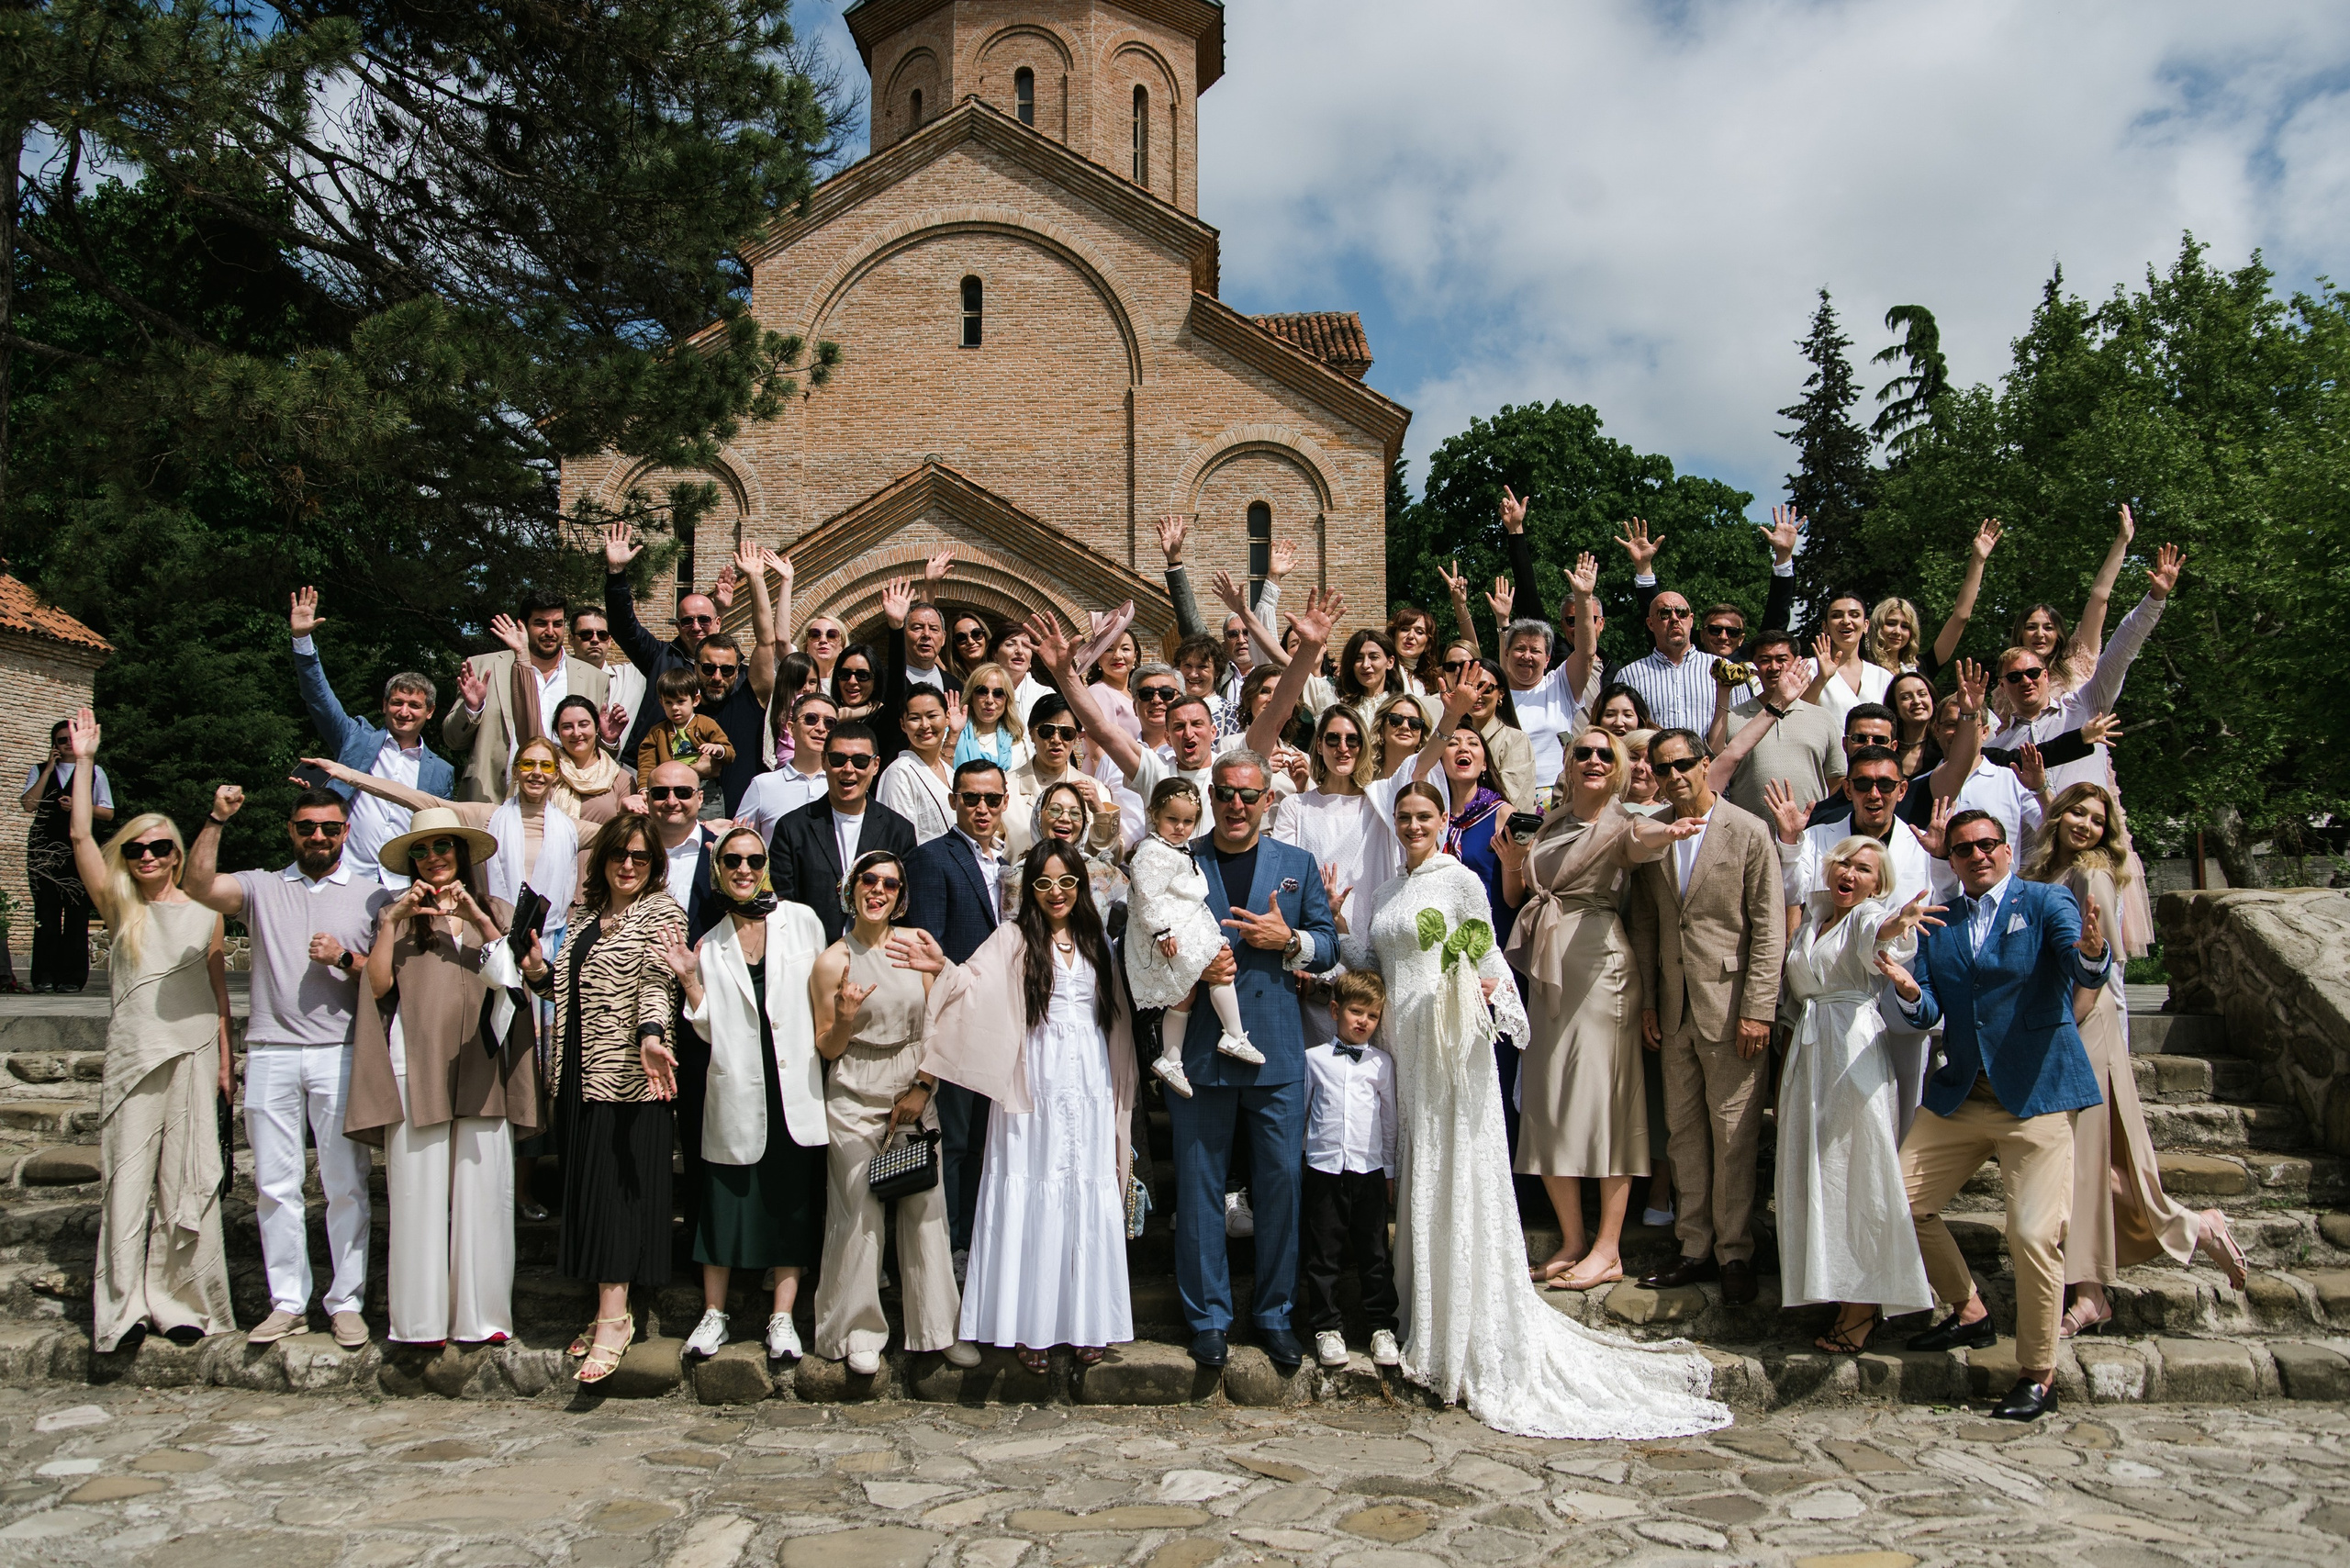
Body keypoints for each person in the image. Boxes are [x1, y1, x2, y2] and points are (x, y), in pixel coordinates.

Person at [1337, 780, 1729, 1439]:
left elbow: (1488, 955)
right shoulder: (1384, 891)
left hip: (1449, 1048)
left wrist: (1490, 994)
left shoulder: (1458, 880)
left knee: (1454, 1170)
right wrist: (1323, 928)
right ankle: (1424, 1314)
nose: (1410, 824)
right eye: (1402, 816)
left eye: (1422, 816)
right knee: (1418, 1169)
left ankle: (1462, 1325)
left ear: (1441, 821)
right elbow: (1374, 961)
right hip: (1403, 1053)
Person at [1878, 808, 2112, 1422]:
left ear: (2007, 849)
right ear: (1950, 860)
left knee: (2034, 1236)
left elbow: (2078, 961)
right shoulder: (1941, 921)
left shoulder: (2046, 903)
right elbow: (1930, 1009)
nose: (1977, 855)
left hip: (2036, 1098)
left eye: (1987, 844)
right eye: (1962, 849)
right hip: (1962, 1097)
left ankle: (2038, 1373)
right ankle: (1969, 1312)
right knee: (1898, 1201)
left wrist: (2093, 955)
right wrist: (1908, 991)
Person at [892, 841, 1138, 1372]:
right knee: (1033, 1186)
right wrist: (941, 966)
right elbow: (970, 987)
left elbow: (1114, 1016)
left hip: (1090, 1083)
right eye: (1044, 883)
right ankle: (1030, 1324)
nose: (1056, 893)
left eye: (1066, 882)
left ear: (1082, 886)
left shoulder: (1100, 942)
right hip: (1033, 1079)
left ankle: (1087, 1320)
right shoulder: (1012, 937)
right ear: (1030, 889)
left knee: (1083, 1189)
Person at [2021, 784, 2247, 1338]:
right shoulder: (2041, 874)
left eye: (2097, 820)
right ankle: (2105, 1285)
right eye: (2077, 812)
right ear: (2058, 814)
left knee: (2084, 1160)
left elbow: (2098, 971)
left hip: (2083, 1025)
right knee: (2080, 1163)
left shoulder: (2091, 875)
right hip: (2055, 1022)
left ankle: (2163, 1243)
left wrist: (2061, 1030)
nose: (2085, 825)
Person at [1149, 748, 1338, 1372]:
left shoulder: (1296, 864)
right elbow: (1145, 945)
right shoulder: (1180, 858)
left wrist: (1290, 942)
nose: (1236, 805)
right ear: (1210, 795)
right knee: (1200, 1190)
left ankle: (1276, 1314)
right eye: (1225, 793)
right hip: (1199, 1051)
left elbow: (1330, 946)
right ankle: (1207, 1317)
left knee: (1281, 1186)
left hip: (1277, 1050)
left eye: (1248, 795)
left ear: (1268, 801)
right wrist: (1187, 963)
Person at [185, 781, 387, 1348]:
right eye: (307, 827)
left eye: (329, 828)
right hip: (271, 1050)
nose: (318, 836)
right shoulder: (261, 887)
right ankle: (288, 1301)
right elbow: (197, 885)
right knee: (275, 1186)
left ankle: (346, 1301)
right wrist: (216, 817)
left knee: (345, 1184)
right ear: (291, 832)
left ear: (346, 832)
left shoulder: (373, 895)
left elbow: (384, 977)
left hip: (339, 1051)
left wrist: (345, 959)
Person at [1499, 727, 1696, 1293]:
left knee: (1607, 1105)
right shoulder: (1552, 821)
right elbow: (1517, 898)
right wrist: (1514, 860)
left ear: (1617, 766)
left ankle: (1609, 1249)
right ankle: (1572, 1240)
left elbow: (1639, 840)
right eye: (1581, 751)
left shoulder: (1621, 821)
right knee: (1547, 1101)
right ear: (1567, 761)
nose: (1591, 759)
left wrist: (1668, 831)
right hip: (1546, 969)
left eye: (1602, 754)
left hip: (1600, 970)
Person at [65, 711, 234, 1351]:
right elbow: (81, 835)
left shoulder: (203, 909)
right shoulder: (120, 905)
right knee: (128, 1179)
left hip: (193, 1052)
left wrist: (225, 1058)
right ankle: (124, 1306)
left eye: (160, 848)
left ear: (177, 855)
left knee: (188, 1179)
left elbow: (220, 993)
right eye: (137, 847)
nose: (147, 857)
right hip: (136, 1054)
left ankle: (182, 1300)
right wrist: (84, 761)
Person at [343, 807, 540, 1347]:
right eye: (422, 852)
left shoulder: (497, 909)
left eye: (443, 848)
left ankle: (483, 1318)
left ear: (461, 853)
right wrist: (390, 922)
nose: (433, 859)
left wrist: (476, 916)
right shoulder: (397, 915)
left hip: (482, 1062)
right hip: (418, 1059)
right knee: (416, 1194)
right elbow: (379, 986)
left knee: (486, 1194)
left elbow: (519, 973)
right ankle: (419, 1322)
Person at [519, 812, 688, 1385]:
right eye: (620, 854)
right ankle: (606, 1308)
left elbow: (658, 986)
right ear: (604, 859)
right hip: (577, 1075)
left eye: (641, 857)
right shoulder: (586, 914)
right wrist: (541, 972)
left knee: (618, 1195)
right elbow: (566, 988)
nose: (629, 865)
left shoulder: (662, 913)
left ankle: (614, 1319)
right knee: (591, 1191)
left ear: (655, 864)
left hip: (630, 1077)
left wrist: (652, 1038)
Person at [1626, 728, 1785, 1307]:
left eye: (1683, 764)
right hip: (1674, 1006)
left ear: (1706, 763)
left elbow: (1769, 926)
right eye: (1663, 769)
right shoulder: (1655, 833)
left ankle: (1735, 1251)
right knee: (1685, 1133)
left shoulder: (1747, 830)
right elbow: (1645, 923)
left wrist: (1759, 1009)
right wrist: (1648, 999)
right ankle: (1693, 1246)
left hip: (1733, 1006)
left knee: (1735, 1135)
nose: (1674, 777)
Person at [662, 826, 831, 1364]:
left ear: (766, 865)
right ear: (718, 869)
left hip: (794, 1083)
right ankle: (714, 1315)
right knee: (723, 1202)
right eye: (732, 860)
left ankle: (782, 1318)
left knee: (790, 1203)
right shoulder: (709, 943)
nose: (743, 868)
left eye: (753, 859)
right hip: (736, 1084)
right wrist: (690, 982)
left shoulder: (802, 921)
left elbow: (820, 998)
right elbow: (707, 1028)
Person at [811, 849, 980, 1374]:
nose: (879, 890)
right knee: (858, 1209)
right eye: (870, 880)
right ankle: (857, 1328)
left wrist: (924, 1088)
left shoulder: (914, 946)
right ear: (852, 887)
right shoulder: (831, 961)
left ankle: (937, 1328)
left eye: (890, 883)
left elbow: (940, 1022)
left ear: (901, 894)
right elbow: (827, 1046)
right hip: (855, 1089)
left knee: (925, 1208)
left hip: (913, 1085)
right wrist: (844, 1016)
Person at [1774, 839, 1934, 1354]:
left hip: (1852, 1052)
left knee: (1858, 1170)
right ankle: (1834, 1286)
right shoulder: (1811, 921)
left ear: (1877, 884)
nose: (1850, 873)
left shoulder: (1869, 915)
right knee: (1819, 1170)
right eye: (1843, 862)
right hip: (1811, 1053)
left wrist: (1898, 922)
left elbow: (1878, 936)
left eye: (1864, 868)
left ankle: (1864, 1305)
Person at [1990, 541, 2183, 955]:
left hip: (2091, 854)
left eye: (2034, 673)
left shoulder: (2084, 707)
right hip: (2034, 865)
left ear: (2048, 670)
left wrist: (2155, 598)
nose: (2026, 680)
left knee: (2103, 965)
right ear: (2002, 684)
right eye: (2015, 676)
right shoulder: (2000, 742)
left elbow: (2120, 652)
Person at [904, 760, 1013, 1275]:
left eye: (991, 799)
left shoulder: (1013, 863)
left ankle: (980, 1237)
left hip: (1009, 1019)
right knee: (959, 1141)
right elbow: (928, 950)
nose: (982, 808)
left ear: (1006, 801)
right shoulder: (932, 858)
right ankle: (951, 1247)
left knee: (991, 1141)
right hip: (959, 1019)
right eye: (971, 798)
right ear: (953, 801)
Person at [289, 586, 453, 884]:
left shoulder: (441, 772)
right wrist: (302, 640)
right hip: (344, 877)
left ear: (429, 712)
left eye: (414, 705)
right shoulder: (356, 739)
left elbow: (439, 834)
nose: (404, 712)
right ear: (384, 705)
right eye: (397, 703)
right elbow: (319, 700)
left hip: (404, 886)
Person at [1130, 778, 1265, 1098]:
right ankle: (1232, 1033)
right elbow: (1147, 896)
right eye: (1172, 820)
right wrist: (1162, 931)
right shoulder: (1151, 852)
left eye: (1188, 821)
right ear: (1153, 815)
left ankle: (1171, 1058)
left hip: (1183, 924)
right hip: (1170, 929)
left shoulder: (1176, 849)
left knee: (1184, 995)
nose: (1180, 828)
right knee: (1218, 960)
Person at [1300, 968, 1400, 1370]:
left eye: (1372, 1016)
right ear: (1335, 1011)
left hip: (1369, 1171)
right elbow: (1302, 1114)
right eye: (1357, 1012)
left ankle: (1381, 1326)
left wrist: (1389, 1169)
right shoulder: (1313, 1060)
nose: (1364, 1022)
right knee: (1323, 1254)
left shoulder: (1382, 1064)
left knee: (1375, 1253)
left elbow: (1389, 1120)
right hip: (1323, 1170)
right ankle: (1327, 1327)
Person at [444, 595, 610, 802]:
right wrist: (472, 709)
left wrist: (609, 740)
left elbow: (594, 750)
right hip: (492, 798)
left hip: (563, 803)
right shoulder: (485, 667)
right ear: (522, 625)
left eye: (557, 624)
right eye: (541, 623)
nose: (550, 632)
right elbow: (453, 740)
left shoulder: (594, 678)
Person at [769, 722, 920, 946]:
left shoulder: (899, 830)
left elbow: (905, 903)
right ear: (824, 761)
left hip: (876, 953)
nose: (848, 769)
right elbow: (784, 902)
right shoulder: (792, 828)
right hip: (809, 954)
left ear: (875, 765)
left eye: (860, 761)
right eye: (838, 760)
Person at [1705, 635, 1840, 822]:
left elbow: (1837, 780)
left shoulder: (1823, 717)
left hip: (1811, 833)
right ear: (1755, 666)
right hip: (1751, 834)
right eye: (1765, 660)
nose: (1774, 667)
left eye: (1782, 660)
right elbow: (1715, 759)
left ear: (1796, 663)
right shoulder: (1733, 717)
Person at [22, 716, 113, 992]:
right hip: (44, 851)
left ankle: (72, 978)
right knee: (46, 914)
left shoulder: (95, 772)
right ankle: (45, 977)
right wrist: (49, 770)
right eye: (62, 740)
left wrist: (78, 805)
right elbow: (28, 804)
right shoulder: (39, 770)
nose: (68, 745)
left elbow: (108, 812)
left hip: (79, 851)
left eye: (72, 739)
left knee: (76, 914)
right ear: (54, 744)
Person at [1872, 518, 2002, 680]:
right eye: (1891, 623)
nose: (1897, 631)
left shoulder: (1920, 668)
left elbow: (1961, 617)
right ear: (1876, 625)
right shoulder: (1860, 666)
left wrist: (1978, 560)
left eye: (1905, 626)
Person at [1008, 692, 1128, 857]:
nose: (1056, 739)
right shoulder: (1006, 788)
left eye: (1066, 733)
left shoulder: (1096, 791)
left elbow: (1111, 857)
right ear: (1031, 734)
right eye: (1047, 731)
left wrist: (1100, 811)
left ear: (1077, 738)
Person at [738, 692, 836, 846]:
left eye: (830, 722)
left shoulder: (845, 784)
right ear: (791, 729)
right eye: (811, 719)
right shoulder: (762, 785)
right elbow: (740, 843)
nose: (821, 728)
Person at [876, 686, 957, 842]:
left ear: (947, 718)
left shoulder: (949, 771)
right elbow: (898, 840)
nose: (925, 725)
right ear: (903, 724)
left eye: (932, 716)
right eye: (915, 718)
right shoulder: (899, 772)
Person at [1803, 595, 1894, 730]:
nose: (1846, 621)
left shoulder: (1883, 677)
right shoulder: (1808, 669)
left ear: (1865, 625)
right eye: (1836, 616)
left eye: (1854, 615)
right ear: (1825, 627)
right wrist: (1821, 679)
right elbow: (1796, 715)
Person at [635, 666, 734, 790]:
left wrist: (718, 749)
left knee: (710, 810)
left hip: (704, 785)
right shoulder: (658, 731)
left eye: (680, 701)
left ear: (695, 700)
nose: (675, 708)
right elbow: (647, 763)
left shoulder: (706, 724)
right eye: (668, 703)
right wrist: (644, 788)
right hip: (669, 786)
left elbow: (730, 753)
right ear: (662, 703)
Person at [550, 695, 628, 827]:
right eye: (567, 727)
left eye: (583, 725)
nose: (576, 732)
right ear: (557, 732)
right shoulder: (545, 772)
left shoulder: (620, 778)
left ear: (597, 727)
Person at [571, 605, 646, 736]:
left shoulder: (632, 676)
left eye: (602, 635)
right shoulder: (559, 679)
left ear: (610, 641)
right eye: (586, 634)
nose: (595, 640)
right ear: (571, 639)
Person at [955, 661, 1025, 774]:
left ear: (1007, 700)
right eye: (982, 691)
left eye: (998, 693)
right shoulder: (953, 736)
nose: (989, 700)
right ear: (971, 697)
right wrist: (952, 735)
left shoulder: (1018, 745)